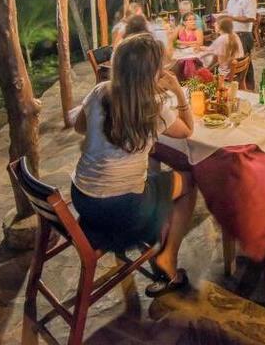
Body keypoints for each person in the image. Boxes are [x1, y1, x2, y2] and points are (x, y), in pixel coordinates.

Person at [70, 34, 196, 296]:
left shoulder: (99, 92)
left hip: (83, 200)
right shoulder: (155, 107)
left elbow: (80, 128)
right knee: (189, 181)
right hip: (125, 211)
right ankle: (168, 259)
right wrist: (177, 91)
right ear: (152, 72)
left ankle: (155, 234)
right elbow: (187, 130)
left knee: (152, 174)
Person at [221, 0, 257, 87]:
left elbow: (251, 18)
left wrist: (232, 18)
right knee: (235, 63)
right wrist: (221, 15)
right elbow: (229, 13)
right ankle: (242, 87)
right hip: (232, 34)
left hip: (243, 35)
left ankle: (247, 87)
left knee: (243, 64)